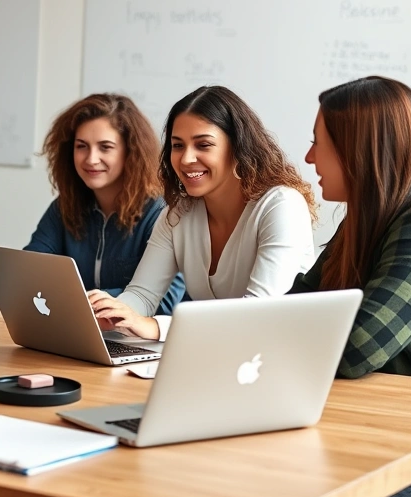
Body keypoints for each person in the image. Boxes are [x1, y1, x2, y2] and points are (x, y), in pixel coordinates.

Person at [289, 76, 411, 497]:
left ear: (358, 151)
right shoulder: (369, 217)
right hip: (377, 421)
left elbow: (358, 347)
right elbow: (290, 309)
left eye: (317, 143)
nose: (309, 158)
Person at [90, 85, 317, 340]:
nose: (186, 159)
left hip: (276, 356)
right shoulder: (177, 215)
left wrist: (154, 327)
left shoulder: (281, 205)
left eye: (203, 145)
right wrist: (110, 311)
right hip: (219, 355)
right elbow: (142, 295)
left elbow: (258, 315)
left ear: (238, 147)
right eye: (177, 145)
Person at [24, 93, 184, 314]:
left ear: (131, 152)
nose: (91, 159)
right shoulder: (65, 206)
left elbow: (165, 302)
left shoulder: (160, 212)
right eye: (81, 146)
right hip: (77, 331)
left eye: (105, 147)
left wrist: (77, 301)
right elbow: (28, 272)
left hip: (141, 342)